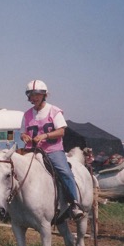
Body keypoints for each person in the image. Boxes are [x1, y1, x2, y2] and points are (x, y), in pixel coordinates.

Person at [20, 79, 84, 221]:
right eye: (31, 95)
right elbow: (23, 133)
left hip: (52, 150)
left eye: (37, 94)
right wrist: (24, 136)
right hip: (32, 151)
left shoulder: (54, 111)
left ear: (44, 95)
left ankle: (74, 203)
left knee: (64, 172)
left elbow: (61, 132)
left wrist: (45, 135)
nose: (34, 97)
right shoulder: (26, 115)